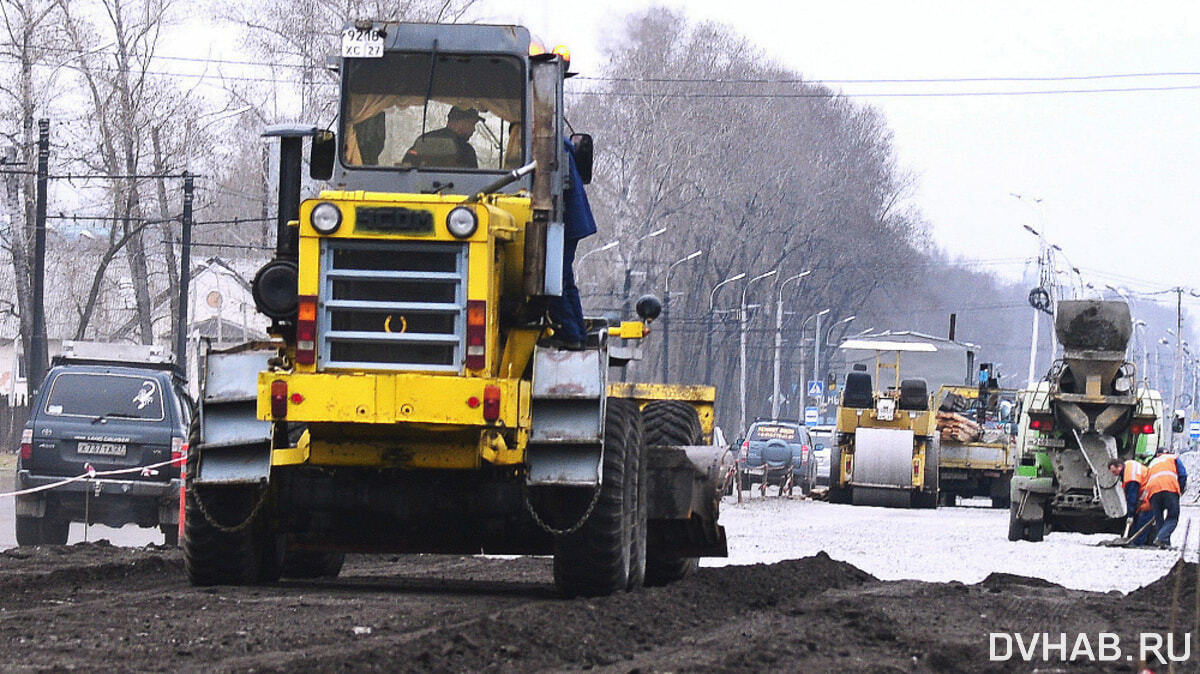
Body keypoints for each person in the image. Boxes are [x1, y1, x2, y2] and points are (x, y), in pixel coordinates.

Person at [545, 137, 596, 349]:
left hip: (563, 223)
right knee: (564, 278)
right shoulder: (559, 143)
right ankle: (578, 333)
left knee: (551, 278)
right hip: (569, 223)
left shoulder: (549, 144)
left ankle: (570, 334)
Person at [401, 106, 481, 169]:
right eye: (472, 124)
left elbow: (404, 171)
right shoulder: (466, 150)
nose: (473, 129)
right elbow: (472, 183)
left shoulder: (423, 141)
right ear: (458, 123)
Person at [1143, 449, 1188, 548]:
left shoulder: (1152, 463)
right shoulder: (1172, 458)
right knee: (1172, 516)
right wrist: (1180, 489)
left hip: (1153, 491)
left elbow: (1146, 479)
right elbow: (1183, 474)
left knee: (1159, 518)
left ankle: (1163, 544)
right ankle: (1161, 538)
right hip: (1169, 488)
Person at [1108, 458, 1154, 545]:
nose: (1114, 475)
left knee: (1142, 524)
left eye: (1114, 472)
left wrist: (1130, 515)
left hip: (1148, 498)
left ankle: (1138, 544)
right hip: (1148, 496)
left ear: (1120, 467)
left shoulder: (1131, 477)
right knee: (1139, 523)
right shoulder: (1128, 465)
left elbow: (1132, 497)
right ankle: (1138, 541)